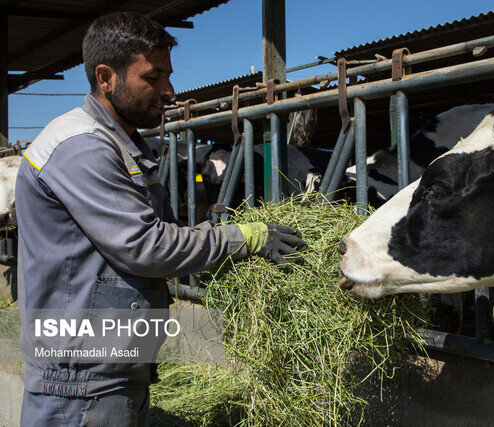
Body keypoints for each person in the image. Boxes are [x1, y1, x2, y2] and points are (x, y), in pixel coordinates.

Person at [15, 11, 306, 426]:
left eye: (168, 76)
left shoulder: (122, 146)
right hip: (81, 381)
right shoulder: (82, 148)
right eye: (152, 78)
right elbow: (145, 245)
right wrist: (241, 238)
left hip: (104, 368)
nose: (169, 90)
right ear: (105, 77)